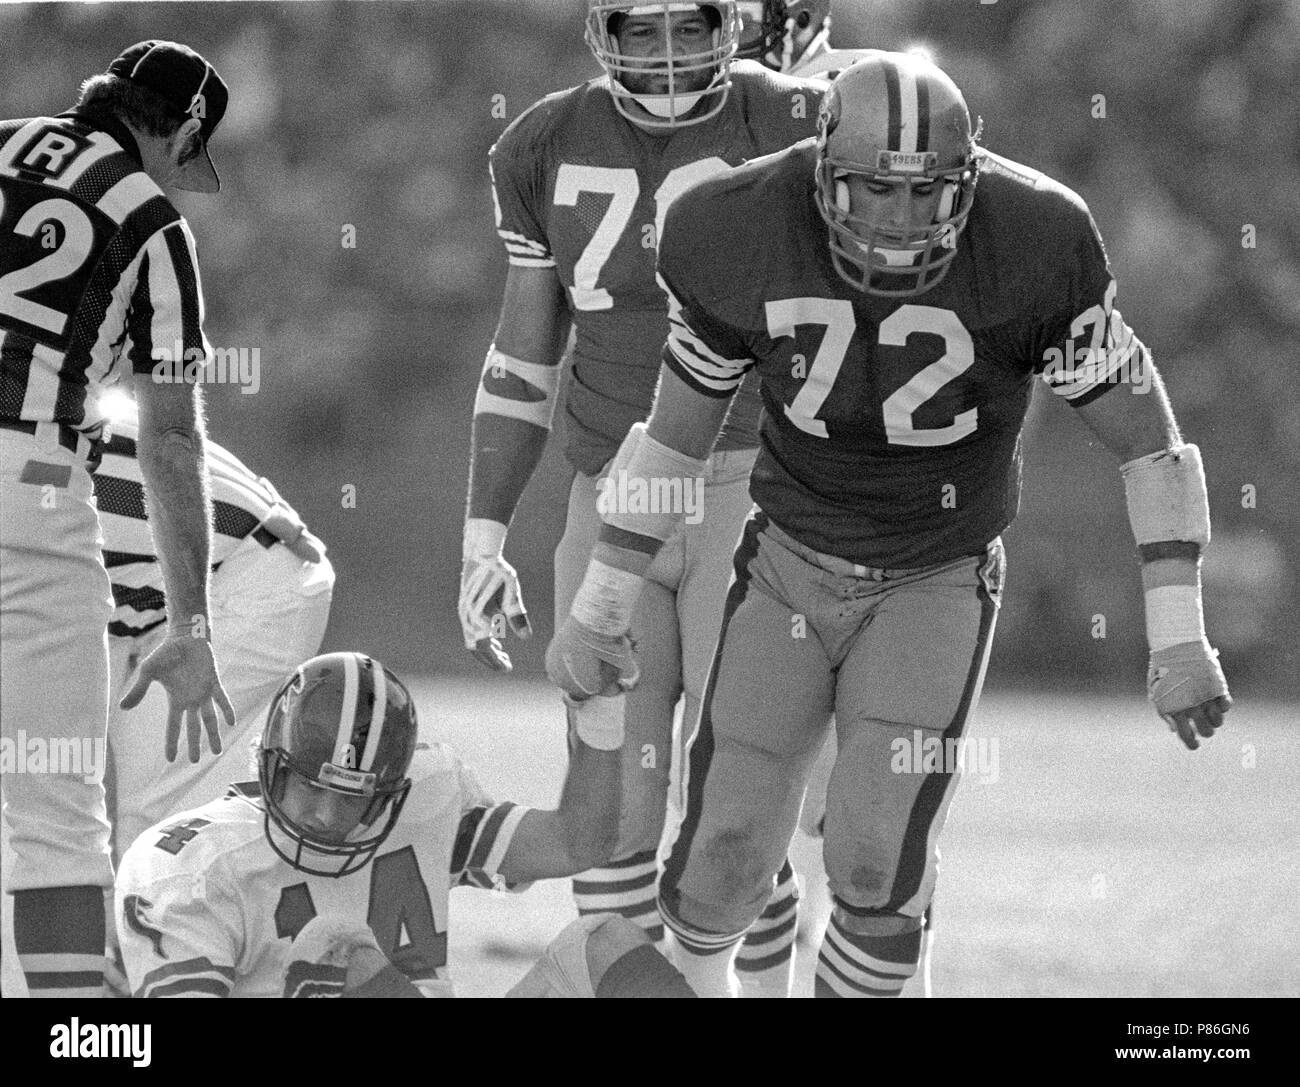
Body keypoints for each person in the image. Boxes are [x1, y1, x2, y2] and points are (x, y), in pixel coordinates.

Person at [545, 51, 1232, 998]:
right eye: (874, 188)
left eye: (928, 193)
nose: (901, 220)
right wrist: (602, 602)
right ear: (824, 168)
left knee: (874, 862)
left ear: (972, 180)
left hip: (933, 579)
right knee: (723, 852)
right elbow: (673, 443)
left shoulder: (1036, 240)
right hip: (784, 564)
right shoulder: (736, 226)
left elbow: (1148, 442)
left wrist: (1180, 634)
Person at [459, 0, 824, 995]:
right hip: (608, 486)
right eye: (641, 29)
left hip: (756, 483)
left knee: (735, 799)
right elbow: (524, 353)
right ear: (600, 33)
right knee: (610, 805)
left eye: (688, 25)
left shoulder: (794, 120)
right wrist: (482, 531)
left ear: (734, 23)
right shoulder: (539, 141)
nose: (666, 53)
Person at [0, 40, 236, 998]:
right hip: (32, 492)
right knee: (56, 813)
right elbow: (170, 445)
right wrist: (190, 624)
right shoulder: (151, 222)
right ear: (179, 128)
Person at [115, 652, 695, 998]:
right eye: (312, 787)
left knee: (604, 943)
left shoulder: (427, 801)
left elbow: (578, 841)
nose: (327, 816)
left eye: (353, 799)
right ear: (270, 761)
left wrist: (599, 708)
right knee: (336, 945)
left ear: (392, 790)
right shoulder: (192, 866)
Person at [96, 405, 334, 860]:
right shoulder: (37, 390)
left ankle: (149, 927)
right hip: (175, 585)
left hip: (252, 580)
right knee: (82, 790)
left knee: (131, 808)